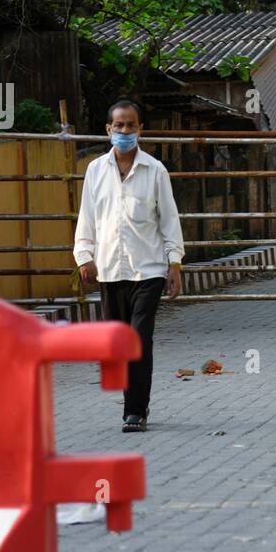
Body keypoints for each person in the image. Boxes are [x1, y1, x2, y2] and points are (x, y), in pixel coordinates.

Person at [74, 99, 184, 432]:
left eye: (131, 125)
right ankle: (131, 402)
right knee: (119, 343)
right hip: (109, 270)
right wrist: (84, 255)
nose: (124, 131)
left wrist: (174, 263)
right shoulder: (95, 170)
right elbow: (88, 218)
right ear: (108, 129)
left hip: (147, 270)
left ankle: (135, 410)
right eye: (118, 125)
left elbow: (169, 219)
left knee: (139, 339)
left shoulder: (155, 171)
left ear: (140, 129)